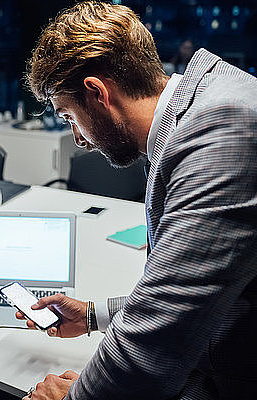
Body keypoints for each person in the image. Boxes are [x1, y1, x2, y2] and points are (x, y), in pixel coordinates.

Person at [19, 1, 257, 399]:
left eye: (69, 116)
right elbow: (196, 288)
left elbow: (157, 341)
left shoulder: (222, 129)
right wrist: (94, 314)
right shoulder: (200, 106)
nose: (78, 138)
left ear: (97, 92)